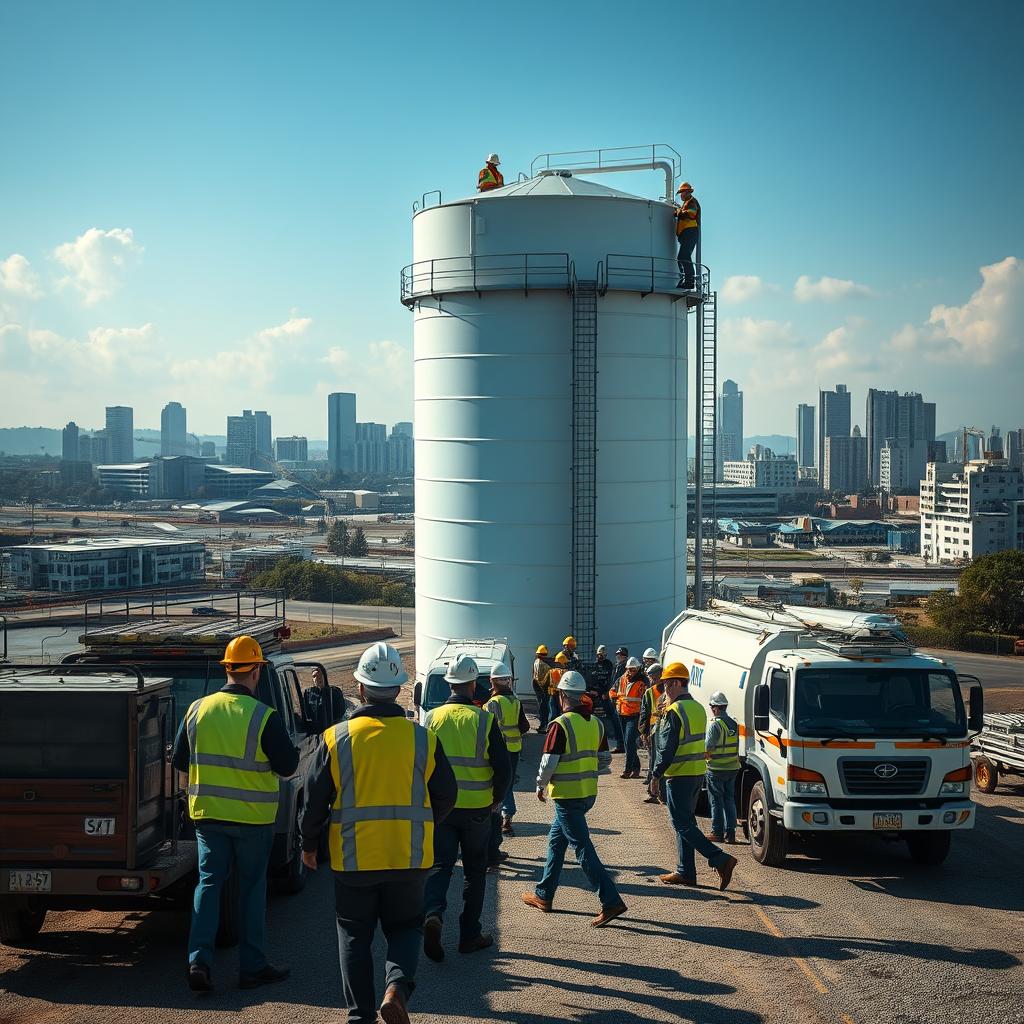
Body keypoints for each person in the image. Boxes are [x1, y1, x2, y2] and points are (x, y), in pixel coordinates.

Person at [300, 642, 458, 1024]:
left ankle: (360, 1016)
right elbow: (447, 795)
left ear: (359, 689)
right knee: (405, 926)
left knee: (354, 934)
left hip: (354, 860)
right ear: (400, 689)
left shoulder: (335, 739)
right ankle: (396, 989)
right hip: (409, 856)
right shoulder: (422, 738)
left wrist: (309, 845)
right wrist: (422, 821)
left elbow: (313, 801)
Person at [173, 635, 299, 994]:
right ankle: (252, 968)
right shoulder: (264, 716)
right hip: (253, 820)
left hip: (208, 816)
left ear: (227, 669)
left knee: (209, 885)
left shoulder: (197, 709)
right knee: (252, 889)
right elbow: (289, 767)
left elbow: (180, 760)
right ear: (256, 671)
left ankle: (199, 960)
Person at [422, 653, 511, 962]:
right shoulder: (484, 719)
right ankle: (469, 935)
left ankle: (433, 913)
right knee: (475, 872)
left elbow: (420, 765)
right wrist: (496, 798)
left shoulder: (431, 719)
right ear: (474, 685)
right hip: (477, 810)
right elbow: (503, 767)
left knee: (441, 866)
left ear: (449, 684)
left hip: (440, 810)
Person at [521, 670, 627, 927]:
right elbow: (604, 760)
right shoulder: (596, 724)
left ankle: (610, 900)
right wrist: (586, 771)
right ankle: (544, 895)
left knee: (582, 848)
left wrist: (539, 785)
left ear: (562, 695)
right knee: (556, 842)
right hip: (587, 794)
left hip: (567, 797)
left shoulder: (560, 724)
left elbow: (548, 763)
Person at [650, 663, 737, 890]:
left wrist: (655, 775)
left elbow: (667, 749)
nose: (664, 691)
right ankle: (685, 871)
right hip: (697, 772)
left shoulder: (674, 711)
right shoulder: (698, 707)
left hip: (679, 775)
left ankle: (720, 859)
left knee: (681, 823)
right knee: (685, 822)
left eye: (667, 685)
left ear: (678, 683)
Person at [484, 663, 529, 858]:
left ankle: (501, 818)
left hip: (498, 750)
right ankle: (507, 817)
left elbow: (486, 729)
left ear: (492, 681)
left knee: (500, 785)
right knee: (508, 783)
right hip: (514, 748)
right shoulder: (515, 701)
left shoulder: (492, 703)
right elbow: (525, 726)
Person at [705, 691, 741, 843]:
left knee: (716, 801)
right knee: (729, 800)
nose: (711, 709)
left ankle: (717, 832)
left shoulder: (715, 725)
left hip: (716, 769)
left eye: (712, 706)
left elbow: (708, 748)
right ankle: (731, 833)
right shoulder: (734, 723)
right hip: (732, 767)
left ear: (716, 708)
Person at [611, 657, 646, 779]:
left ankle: (627, 770)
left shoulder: (642, 681)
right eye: (629, 670)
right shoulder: (622, 679)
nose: (631, 672)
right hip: (622, 714)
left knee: (629, 742)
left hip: (635, 715)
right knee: (628, 743)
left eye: (633, 670)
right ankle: (636, 769)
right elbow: (613, 690)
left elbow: (645, 699)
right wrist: (614, 698)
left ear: (638, 669)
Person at [639, 663, 667, 804]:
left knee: (660, 761)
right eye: (650, 677)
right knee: (653, 761)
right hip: (653, 730)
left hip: (665, 729)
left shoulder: (669, 691)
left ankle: (660, 793)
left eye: (653, 677)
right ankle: (653, 793)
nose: (651, 679)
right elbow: (644, 714)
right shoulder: (649, 692)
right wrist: (644, 733)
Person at [673, 182, 700, 290]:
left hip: (690, 232)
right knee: (682, 257)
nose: (681, 195)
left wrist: (678, 212)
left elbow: (690, 214)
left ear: (688, 192)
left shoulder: (692, 202)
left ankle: (689, 281)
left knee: (684, 256)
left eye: (682, 192)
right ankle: (685, 280)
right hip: (687, 233)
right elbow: (682, 213)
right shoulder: (687, 203)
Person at [532, 645, 553, 732]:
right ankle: (544, 725)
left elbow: (533, 675)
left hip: (538, 688)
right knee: (545, 708)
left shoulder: (536, 662)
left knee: (542, 707)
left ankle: (543, 725)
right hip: (544, 689)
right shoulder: (546, 665)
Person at [549, 652, 569, 726]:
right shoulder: (562, 671)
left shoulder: (552, 670)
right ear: (562, 662)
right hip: (558, 694)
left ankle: (552, 727)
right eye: (565, 663)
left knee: (554, 712)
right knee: (556, 713)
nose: (566, 664)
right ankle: (554, 727)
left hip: (553, 694)